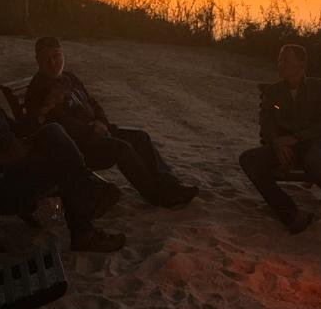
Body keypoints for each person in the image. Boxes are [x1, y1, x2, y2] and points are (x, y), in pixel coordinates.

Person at [0, 49, 126, 253]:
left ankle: (86, 186)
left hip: (16, 166)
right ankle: (84, 227)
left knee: (52, 131)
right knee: (65, 167)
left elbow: (17, 129)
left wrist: (45, 109)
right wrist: (7, 157)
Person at [23, 36, 198, 207]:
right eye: (47, 59)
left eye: (56, 56)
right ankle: (155, 194)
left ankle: (170, 185)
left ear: (62, 54)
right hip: (80, 145)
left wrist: (102, 122)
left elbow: (92, 102)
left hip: (99, 130)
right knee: (122, 148)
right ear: (38, 60)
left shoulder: (69, 78)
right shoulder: (39, 89)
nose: (53, 63)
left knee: (140, 137)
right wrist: (90, 130)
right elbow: (57, 124)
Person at [239, 43, 321, 234]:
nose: (280, 64)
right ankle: (291, 214)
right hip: (286, 147)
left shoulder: (320, 87)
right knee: (248, 159)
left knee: (315, 162)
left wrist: (295, 138)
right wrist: (276, 143)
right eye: (279, 60)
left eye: (286, 60)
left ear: (300, 65)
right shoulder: (273, 92)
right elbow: (266, 124)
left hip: (318, 142)